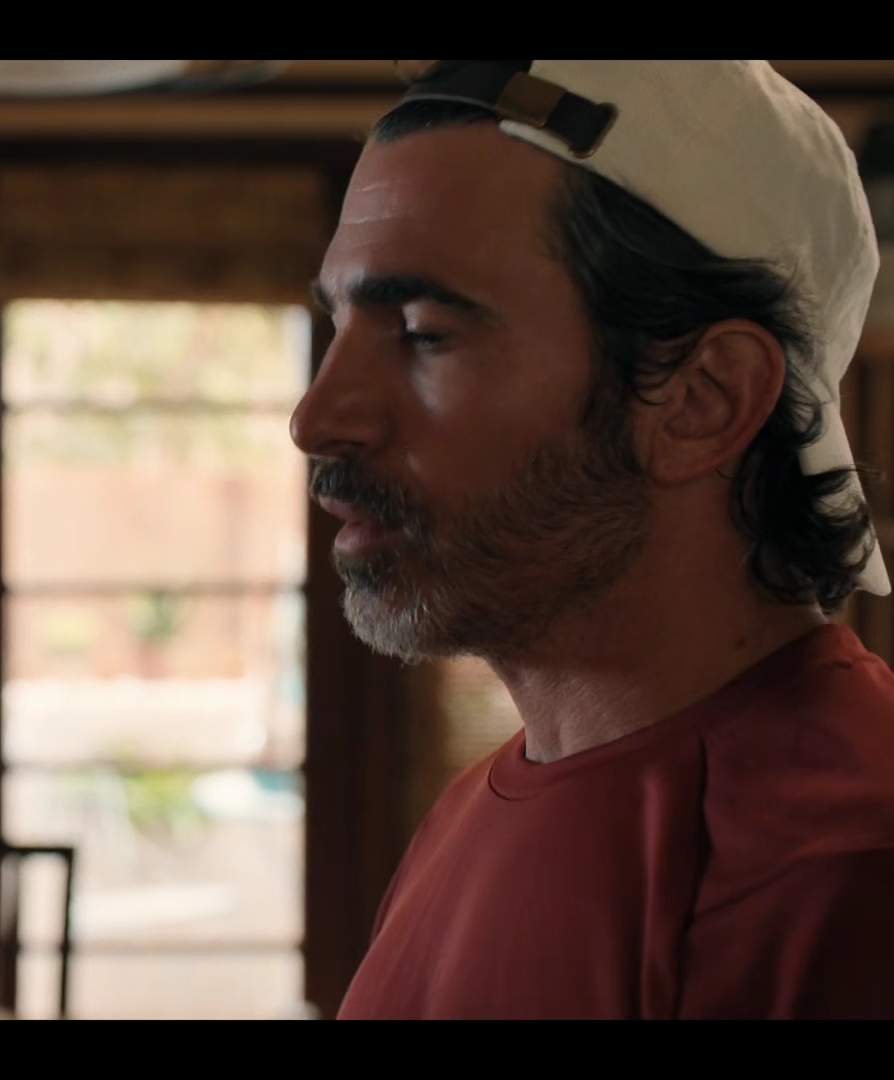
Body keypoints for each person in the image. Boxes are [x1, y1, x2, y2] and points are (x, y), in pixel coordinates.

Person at [293, 60, 894, 1019]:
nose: (318, 419)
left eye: (423, 332)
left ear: (702, 400)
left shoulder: (845, 872)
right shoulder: (472, 811)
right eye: (340, 325)